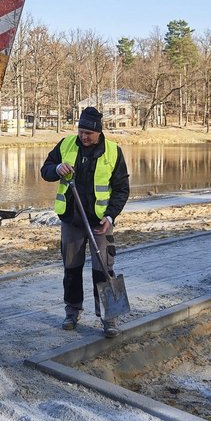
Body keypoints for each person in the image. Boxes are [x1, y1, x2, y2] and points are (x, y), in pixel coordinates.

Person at [40, 107, 130, 338]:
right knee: (71, 270)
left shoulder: (113, 152)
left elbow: (121, 189)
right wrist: (57, 168)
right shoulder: (66, 145)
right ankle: (72, 311)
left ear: (99, 132)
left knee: (103, 270)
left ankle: (109, 318)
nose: (83, 136)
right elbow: (46, 170)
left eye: (88, 133)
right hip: (72, 221)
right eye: (81, 131)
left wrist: (110, 216)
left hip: (100, 223)